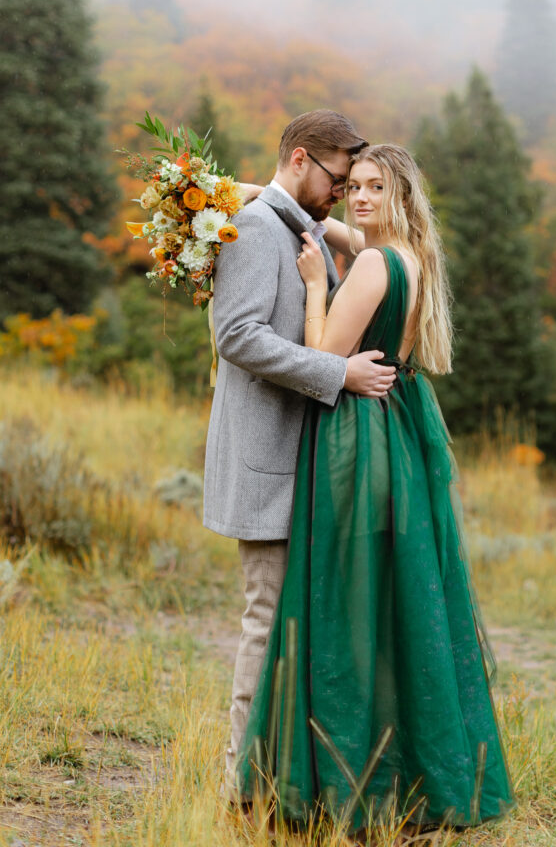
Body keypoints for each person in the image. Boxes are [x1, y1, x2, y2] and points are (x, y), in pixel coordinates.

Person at [234, 144, 515, 832]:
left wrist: (312, 290)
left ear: (401, 194)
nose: (358, 199)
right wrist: (253, 190)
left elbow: (323, 359)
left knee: (342, 600)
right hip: (396, 436)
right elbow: (332, 228)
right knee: (394, 605)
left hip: (354, 442)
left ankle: (335, 781)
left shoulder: (369, 267)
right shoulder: (409, 255)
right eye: (351, 186)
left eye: (374, 187)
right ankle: (415, 775)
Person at [203, 110, 397, 795]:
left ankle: (284, 782)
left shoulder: (295, 223)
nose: (342, 193)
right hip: (266, 468)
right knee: (264, 627)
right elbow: (237, 336)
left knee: (293, 629)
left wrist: (253, 191)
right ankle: (240, 791)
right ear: (299, 159)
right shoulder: (257, 230)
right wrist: (335, 374)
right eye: (338, 180)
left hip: (303, 470)